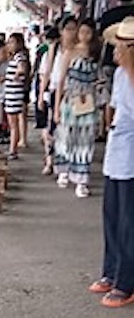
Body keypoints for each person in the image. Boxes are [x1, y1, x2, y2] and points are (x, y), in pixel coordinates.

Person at [89, 17, 134, 307]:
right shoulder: (120, 75)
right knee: (112, 216)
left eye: (119, 47)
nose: (114, 52)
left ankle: (126, 281)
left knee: (129, 221)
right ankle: (111, 269)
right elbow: (115, 108)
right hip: (117, 150)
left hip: (132, 155)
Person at [53, 19, 100, 197]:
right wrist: (56, 107)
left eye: (88, 32)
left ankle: (81, 179)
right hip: (71, 100)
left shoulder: (96, 54)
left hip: (88, 102)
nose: (84, 36)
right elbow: (61, 81)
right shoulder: (70, 52)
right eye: (82, 32)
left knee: (86, 142)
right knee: (66, 137)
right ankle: (64, 170)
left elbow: (99, 80)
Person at [38, 16, 78, 175]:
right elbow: (47, 73)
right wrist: (41, 94)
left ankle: (66, 162)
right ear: (61, 31)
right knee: (51, 129)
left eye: (74, 29)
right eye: (68, 29)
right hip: (55, 92)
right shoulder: (54, 48)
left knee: (69, 130)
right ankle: (49, 160)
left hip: (72, 92)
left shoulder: (78, 49)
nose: (71, 33)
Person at [98, 0, 134, 129]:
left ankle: (108, 127)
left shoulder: (108, 15)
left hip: (109, 60)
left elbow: (101, 39)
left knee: (111, 97)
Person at [3, 32, 29, 159]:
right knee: (12, 123)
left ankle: (13, 150)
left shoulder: (20, 56)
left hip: (14, 94)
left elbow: (22, 68)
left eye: (12, 42)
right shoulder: (16, 56)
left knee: (13, 124)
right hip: (11, 93)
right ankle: (12, 149)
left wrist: (16, 77)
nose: (9, 45)